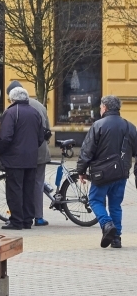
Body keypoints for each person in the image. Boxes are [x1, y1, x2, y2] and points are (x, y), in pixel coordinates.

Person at [77, 95, 137, 249]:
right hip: (122, 173)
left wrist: (81, 170)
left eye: (101, 107)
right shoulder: (130, 127)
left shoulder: (98, 125)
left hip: (102, 173)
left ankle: (107, 224)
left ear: (105, 107)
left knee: (95, 200)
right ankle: (116, 239)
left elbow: (87, 151)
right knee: (116, 205)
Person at [0, 86, 44, 230]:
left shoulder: (11, 112)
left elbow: (5, 136)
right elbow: (40, 137)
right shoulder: (35, 112)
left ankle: (16, 221)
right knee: (29, 190)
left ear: (12, 99)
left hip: (14, 159)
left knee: (14, 190)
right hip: (31, 158)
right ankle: (27, 220)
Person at [6, 80, 51, 226]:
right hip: (40, 150)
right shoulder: (39, 105)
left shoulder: (14, 109)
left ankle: (20, 216)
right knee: (37, 183)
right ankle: (37, 216)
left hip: (21, 153)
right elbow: (47, 129)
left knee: (19, 185)